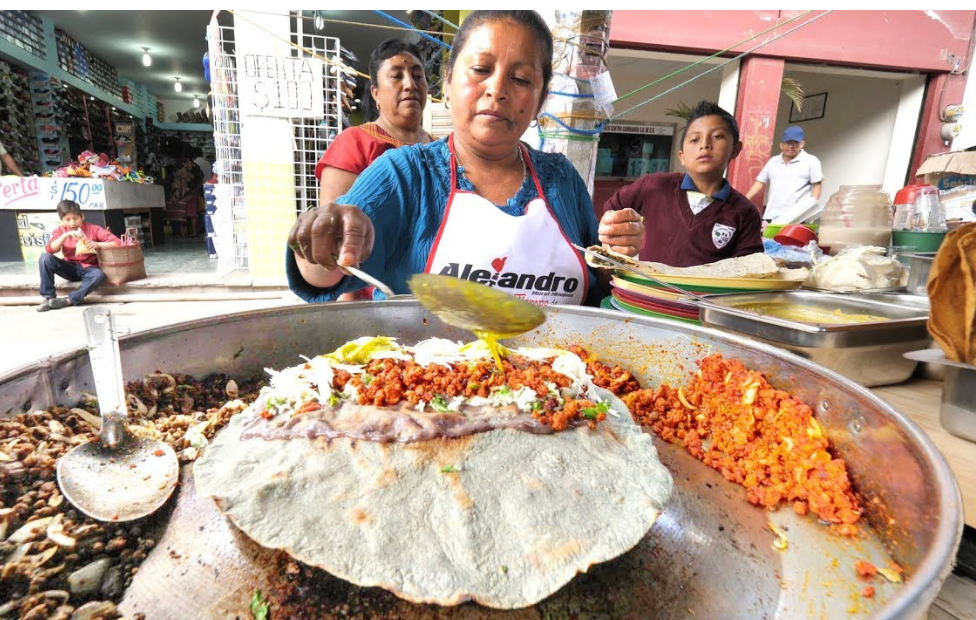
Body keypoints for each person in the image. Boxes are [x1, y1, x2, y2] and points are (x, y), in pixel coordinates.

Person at [287, 10, 643, 305]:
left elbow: (598, 286)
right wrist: (325, 236)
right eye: (480, 70)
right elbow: (322, 277)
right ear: (448, 81)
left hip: (562, 383)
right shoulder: (405, 175)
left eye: (520, 79)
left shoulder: (561, 179)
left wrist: (616, 252)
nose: (497, 90)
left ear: (539, 100)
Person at [313, 38, 434, 301]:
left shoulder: (441, 149)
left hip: (434, 297)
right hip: (374, 303)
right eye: (397, 76)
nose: (410, 84)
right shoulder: (354, 143)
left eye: (417, 75)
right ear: (376, 92)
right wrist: (352, 316)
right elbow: (336, 242)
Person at [604, 100, 763, 267]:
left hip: (706, 294)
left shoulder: (744, 213)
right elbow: (612, 210)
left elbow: (748, 271)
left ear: (735, 149)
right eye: (695, 140)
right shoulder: (654, 185)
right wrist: (625, 236)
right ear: (682, 157)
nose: (705, 145)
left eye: (717, 136)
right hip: (648, 291)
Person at [37, 200, 121, 312]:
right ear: (62, 220)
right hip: (69, 267)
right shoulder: (60, 231)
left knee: (99, 275)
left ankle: (70, 300)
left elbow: (118, 242)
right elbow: (50, 249)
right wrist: (64, 236)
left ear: (82, 216)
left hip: (89, 269)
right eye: (67, 220)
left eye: (75, 218)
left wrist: (98, 244)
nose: (72, 223)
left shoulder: (94, 229)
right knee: (45, 258)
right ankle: (48, 298)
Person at [745, 125, 823, 222]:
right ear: (781, 145)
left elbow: (817, 187)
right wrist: (744, 199)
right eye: (788, 142)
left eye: (795, 142)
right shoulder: (773, 162)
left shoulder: (811, 161)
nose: (791, 146)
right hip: (771, 215)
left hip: (796, 217)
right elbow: (760, 182)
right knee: (766, 237)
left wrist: (809, 211)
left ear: (802, 144)